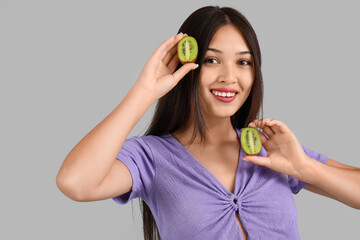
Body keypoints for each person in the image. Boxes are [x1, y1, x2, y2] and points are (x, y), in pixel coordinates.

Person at [56, 5, 360, 240]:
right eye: (213, 60)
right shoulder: (150, 158)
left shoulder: (271, 149)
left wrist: (305, 168)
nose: (229, 76)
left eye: (243, 62)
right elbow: (75, 182)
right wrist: (143, 93)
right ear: (188, 65)